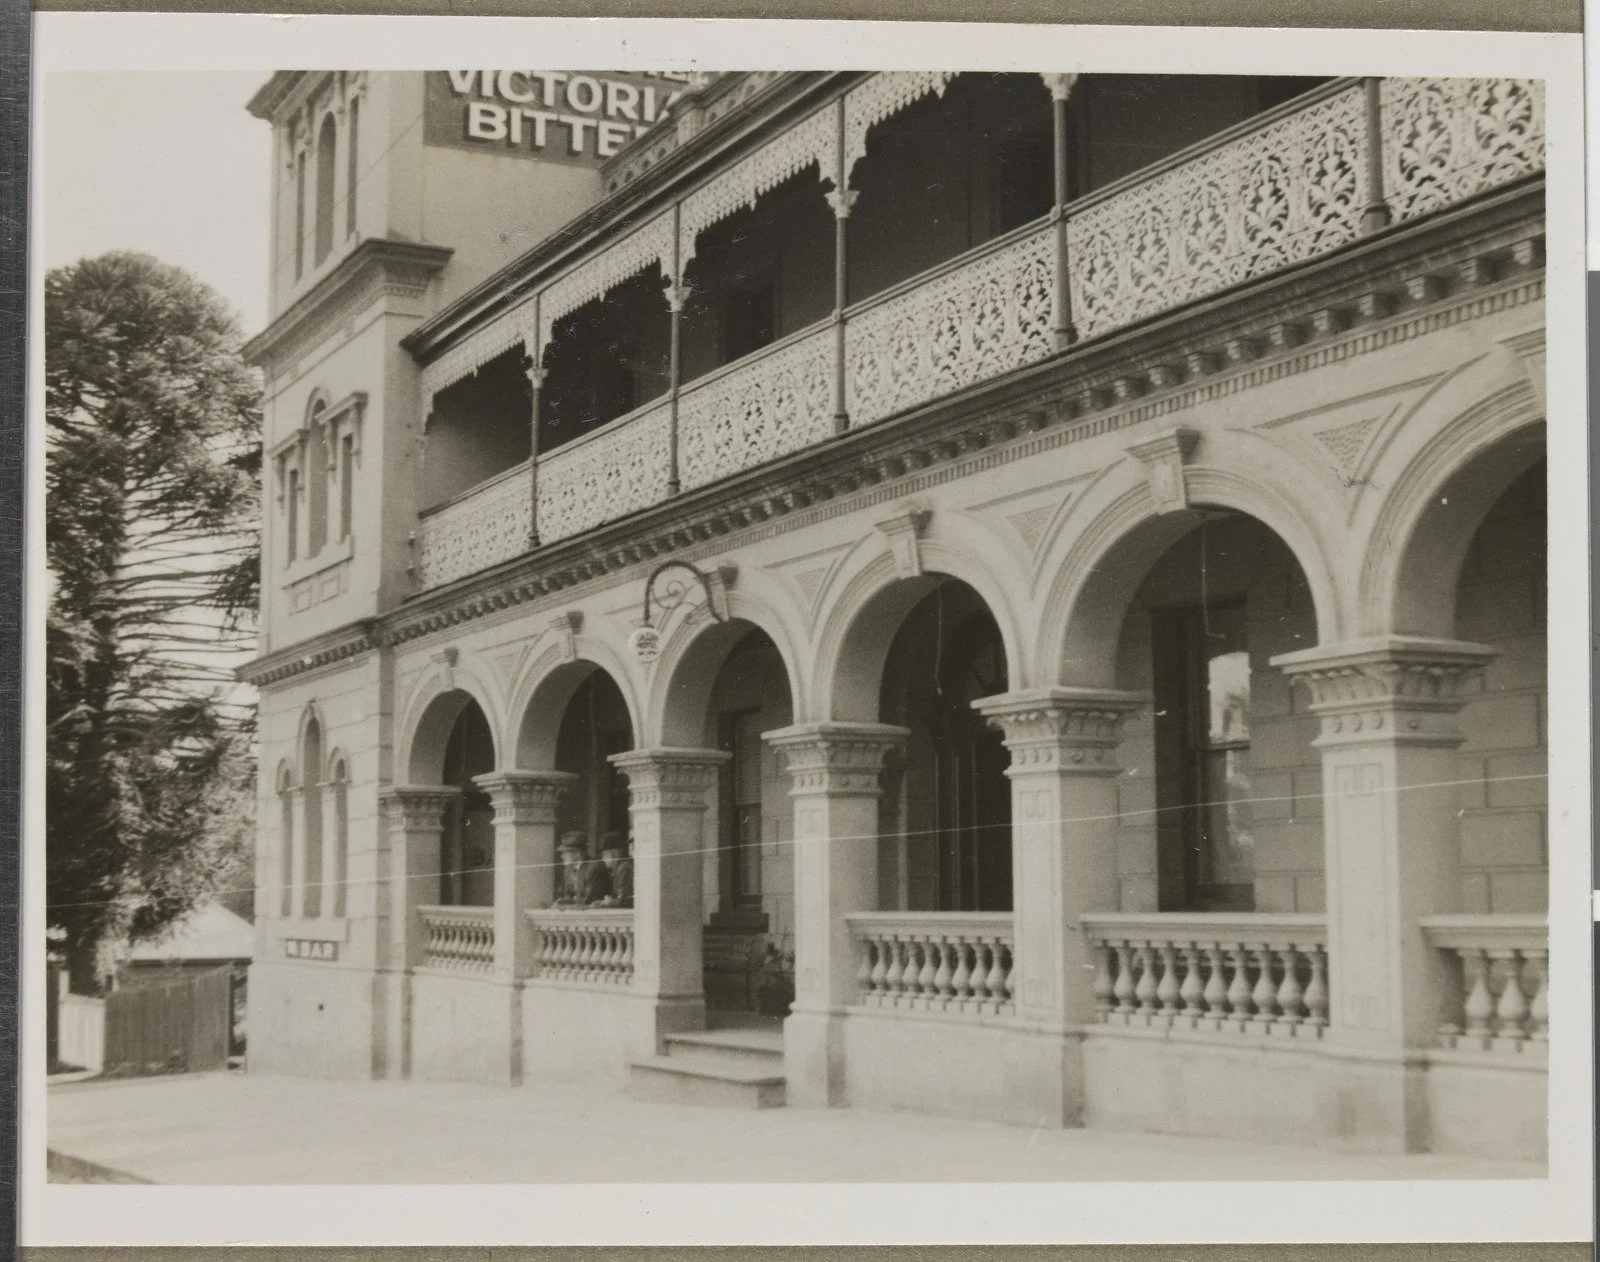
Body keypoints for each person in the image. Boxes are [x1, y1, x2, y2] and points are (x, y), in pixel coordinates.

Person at [601, 831, 633, 908]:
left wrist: (611, 902)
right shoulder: (619, 868)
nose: (603, 859)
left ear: (609, 855)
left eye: (603, 855)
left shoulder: (623, 868)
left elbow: (625, 899)